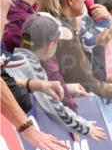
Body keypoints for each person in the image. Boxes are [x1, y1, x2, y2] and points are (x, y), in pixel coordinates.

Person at [8, 13, 106, 141]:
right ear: (50, 45)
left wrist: (66, 88)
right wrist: (85, 128)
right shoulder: (31, 67)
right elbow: (53, 108)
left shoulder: (13, 60)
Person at [39, 0, 112, 102]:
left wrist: (99, 46)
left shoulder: (55, 25)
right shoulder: (64, 31)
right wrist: (111, 91)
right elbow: (85, 82)